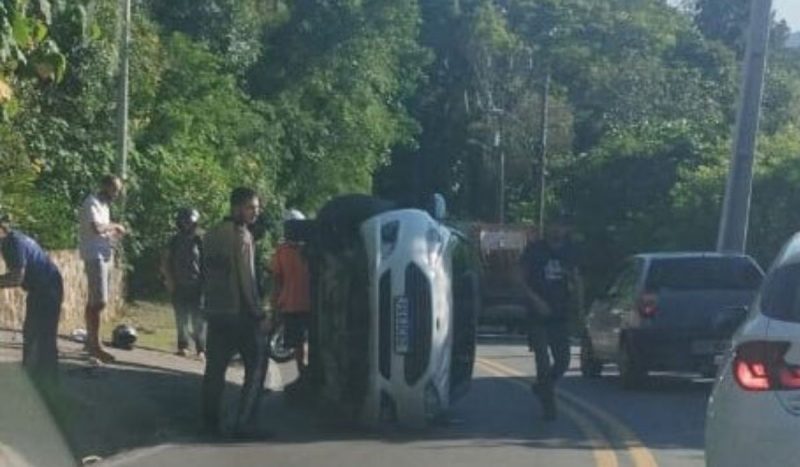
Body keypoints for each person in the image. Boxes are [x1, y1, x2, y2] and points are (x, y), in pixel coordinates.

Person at [202, 187, 270, 438]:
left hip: (215, 310)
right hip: (239, 313)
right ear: (237, 208)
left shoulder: (210, 234)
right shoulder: (242, 236)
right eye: (251, 207)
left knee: (214, 371)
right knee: (257, 366)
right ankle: (244, 424)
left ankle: (210, 423)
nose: (255, 212)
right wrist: (259, 313)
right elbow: (247, 280)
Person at [517, 214, 583, 421]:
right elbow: (518, 278)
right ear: (548, 227)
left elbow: (577, 279)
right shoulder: (534, 250)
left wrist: (579, 307)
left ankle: (542, 387)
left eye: (562, 226)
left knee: (563, 361)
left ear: (567, 229)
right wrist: (535, 300)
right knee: (543, 361)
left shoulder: (570, 251)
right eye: (554, 225)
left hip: (560, 313)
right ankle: (549, 406)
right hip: (537, 315)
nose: (557, 230)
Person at [0, 213, 64, 397]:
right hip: (44, 286)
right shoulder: (12, 239)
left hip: (47, 287)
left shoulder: (12, 243)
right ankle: (37, 382)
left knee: (40, 336)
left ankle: (41, 384)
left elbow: (16, 277)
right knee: (34, 333)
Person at [79, 175, 126, 364]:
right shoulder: (92, 203)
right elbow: (96, 228)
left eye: (118, 190)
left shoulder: (105, 207)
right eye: (114, 189)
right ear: (105, 186)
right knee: (99, 301)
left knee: (97, 302)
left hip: (104, 255)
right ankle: (95, 345)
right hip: (94, 255)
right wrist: (115, 225)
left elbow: (104, 231)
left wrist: (114, 235)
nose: (116, 194)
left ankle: (91, 341)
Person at [161, 208, 206, 359]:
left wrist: (207, 283)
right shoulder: (174, 240)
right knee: (181, 318)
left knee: (198, 319)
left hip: (197, 285)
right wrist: (169, 280)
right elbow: (166, 261)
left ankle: (201, 349)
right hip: (179, 284)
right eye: (184, 222)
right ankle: (183, 346)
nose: (187, 225)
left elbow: (206, 263)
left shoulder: (200, 240)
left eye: (190, 222)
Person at [270, 210, 311, 376]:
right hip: (296, 305)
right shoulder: (284, 250)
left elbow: (276, 280)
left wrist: (275, 304)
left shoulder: (307, 250)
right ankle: (293, 380)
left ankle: (296, 380)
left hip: (298, 305)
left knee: (295, 345)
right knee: (292, 346)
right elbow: (277, 279)